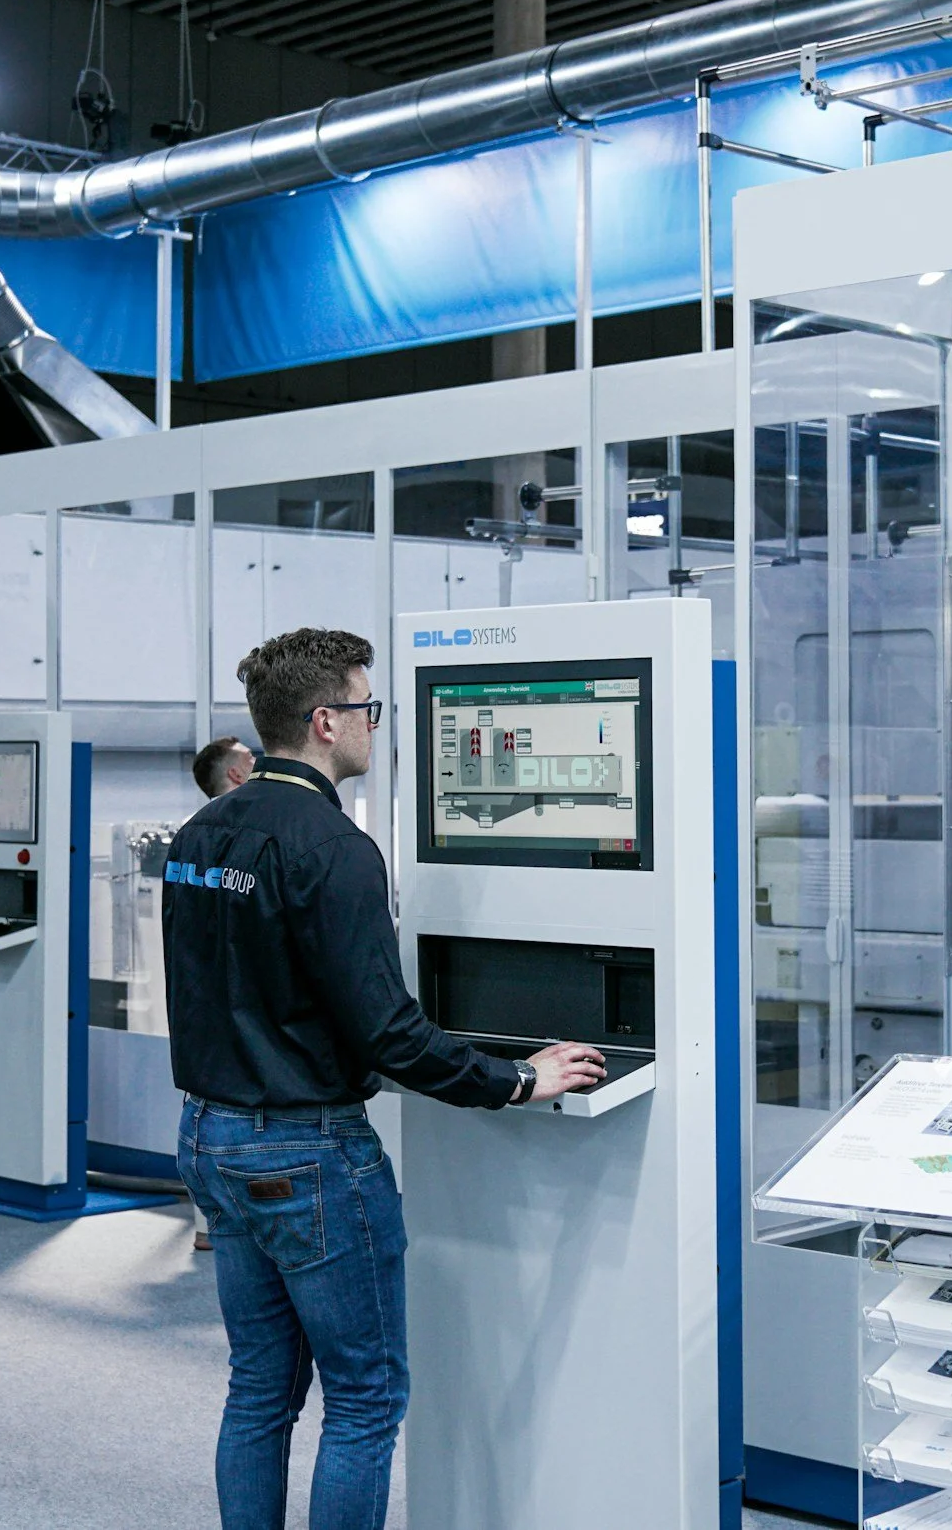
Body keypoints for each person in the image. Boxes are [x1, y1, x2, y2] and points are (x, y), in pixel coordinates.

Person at [162, 628, 608, 1530]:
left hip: (210, 1138)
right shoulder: (334, 846)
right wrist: (514, 1079)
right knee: (364, 1399)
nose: (376, 723)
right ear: (325, 722)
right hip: (308, 1150)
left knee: (259, 1388)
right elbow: (389, 1030)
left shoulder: (200, 832)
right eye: (367, 707)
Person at [182, 735, 254, 1256]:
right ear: (235, 774)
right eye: (252, 759)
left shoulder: (194, 837)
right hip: (234, 996)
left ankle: (212, 1220)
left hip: (201, 999)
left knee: (206, 1106)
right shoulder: (246, 835)